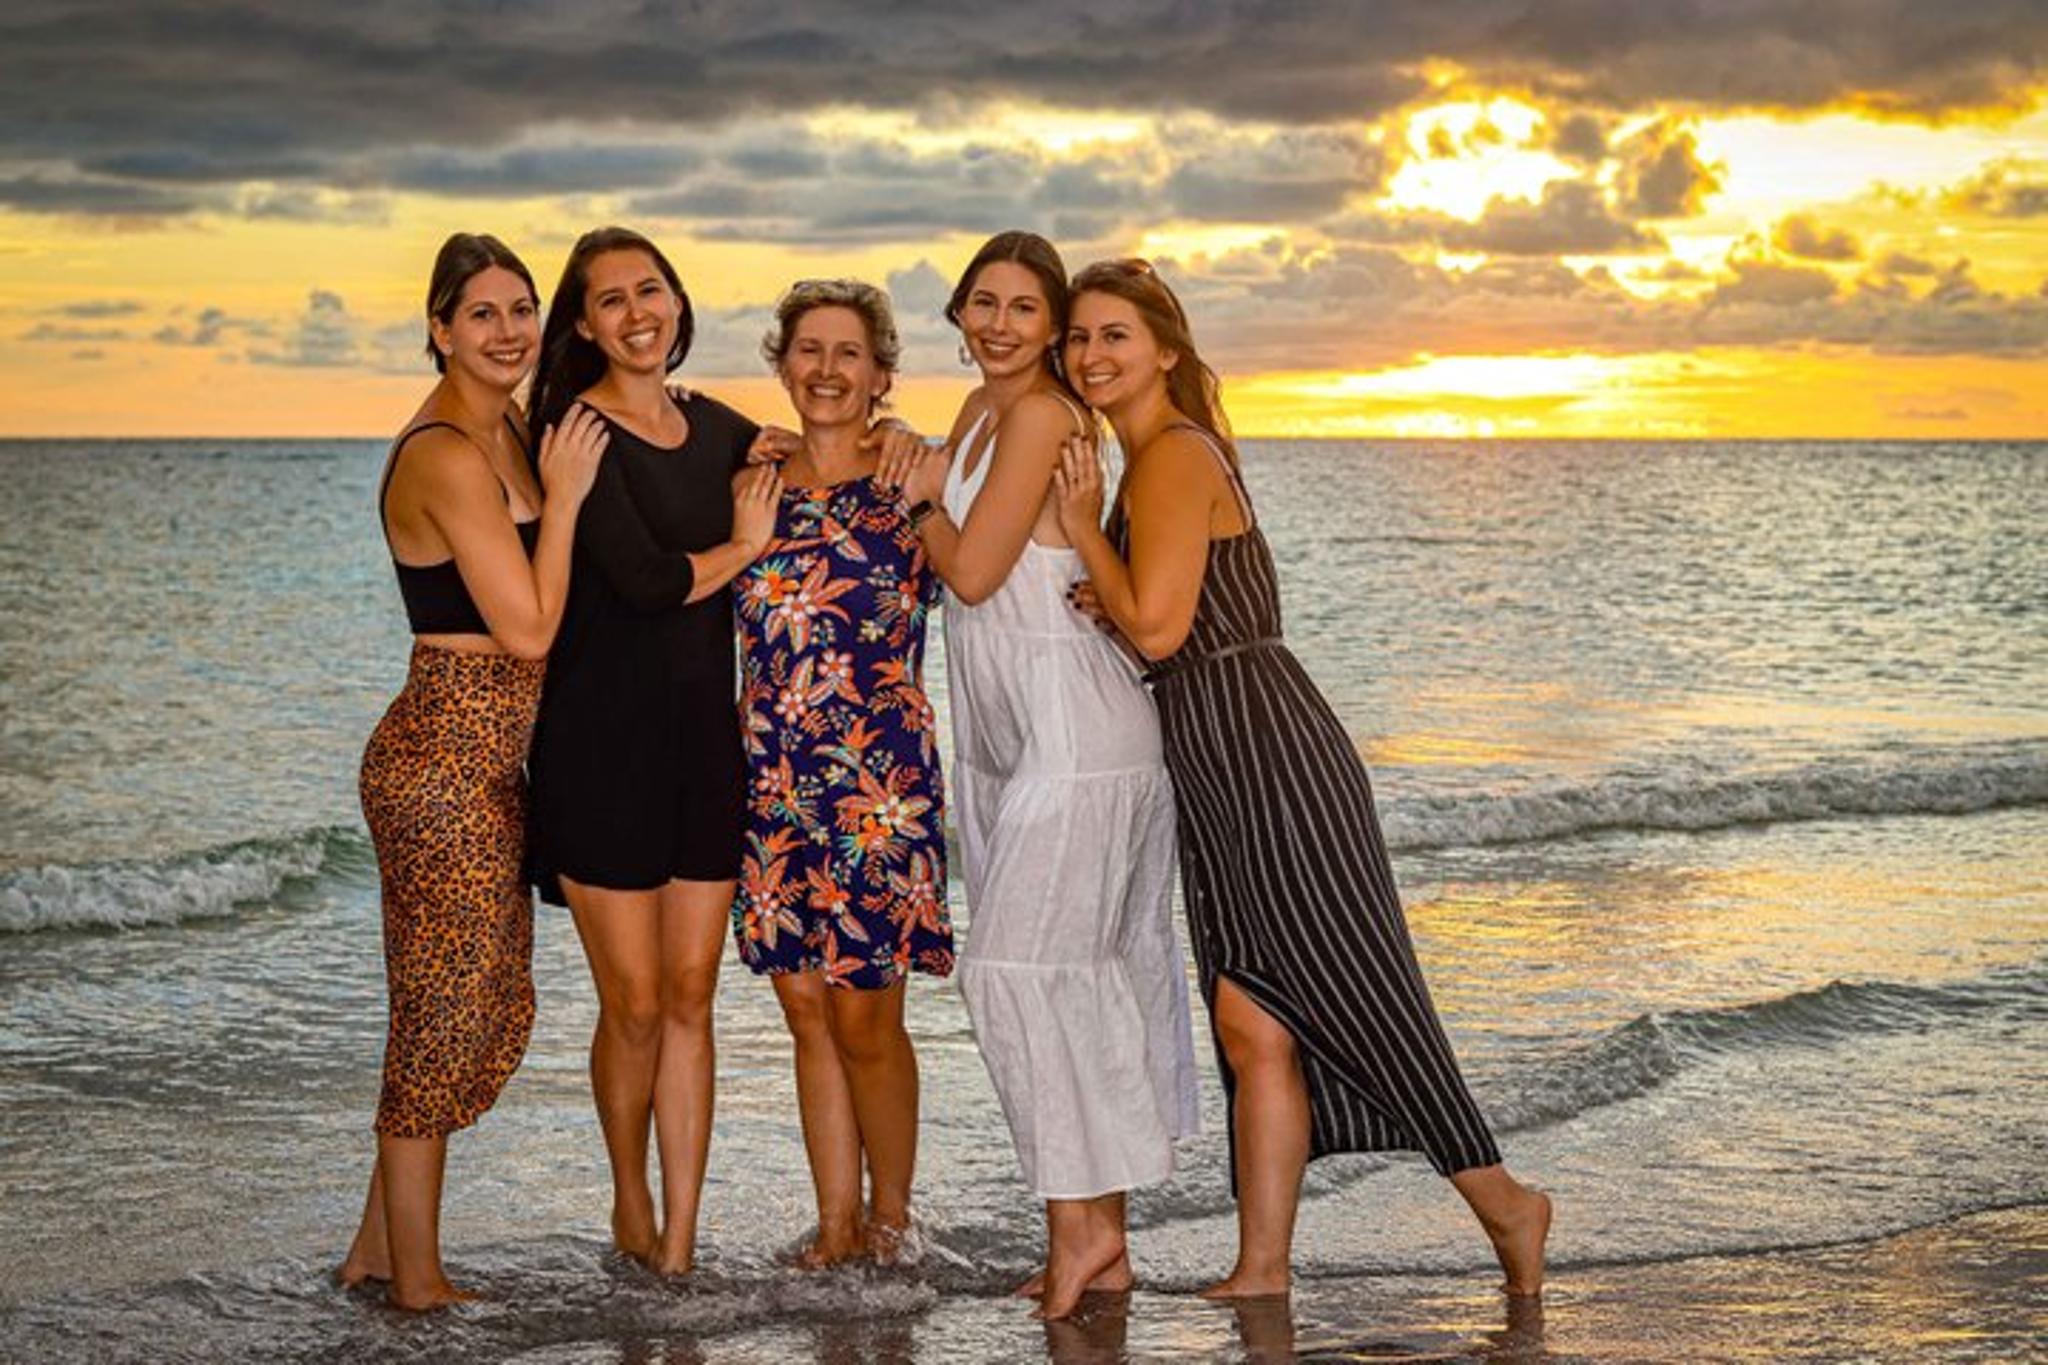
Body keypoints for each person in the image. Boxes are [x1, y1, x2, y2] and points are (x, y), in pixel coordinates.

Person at [1052, 258, 1552, 1300]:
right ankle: (1262, 1269)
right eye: (1077, 339)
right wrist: (1110, 574)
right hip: (1216, 751)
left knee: (1358, 990)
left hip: (1266, 748)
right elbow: (1161, 617)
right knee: (1249, 1018)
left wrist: (1079, 538)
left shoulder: (1170, 458)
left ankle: (1506, 1200)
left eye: (1112, 336)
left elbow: (1156, 624)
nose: (1089, 356)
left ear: (1165, 350)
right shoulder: (1153, 464)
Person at [884, 232, 1197, 1321]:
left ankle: (1091, 1230)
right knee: (1066, 972)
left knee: (1014, 970)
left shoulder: (1038, 415)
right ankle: (1089, 1237)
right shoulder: (977, 413)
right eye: (983, 303)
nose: (1000, 325)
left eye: (1024, 309)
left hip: (1076, 726)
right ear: (958, 313)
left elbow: (968, 573)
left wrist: (923, 500)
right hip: (1005, 728)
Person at [339, 232, 608, 1309]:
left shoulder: (506, 431)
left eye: (521, 308)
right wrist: (572, 498)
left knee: (464, 1000)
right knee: (438, 1016)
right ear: (439, 330)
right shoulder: (448, 451)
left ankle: (373, 1250)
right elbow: (531, 627)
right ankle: (418, 1282)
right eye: (482, 313)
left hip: (491, 765)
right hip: (442, 761)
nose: (507, 331)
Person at [523, 226, 782, 1276]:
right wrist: (744, 548)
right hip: (598, 751)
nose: (638, 312)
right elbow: (639, 580)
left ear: (676, 302)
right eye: (612, 300)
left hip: (704, 751)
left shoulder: (718, 429)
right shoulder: (573, 431)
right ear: (582, 324)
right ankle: (630, 1197)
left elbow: (809, 448)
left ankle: (679, 1243)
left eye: (653, 290)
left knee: (690, 998)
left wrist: (895, 438)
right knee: (630, 1003)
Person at [732, 280, 952, 1268]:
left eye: (848, 354)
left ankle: (892, 1226)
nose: (826, 370)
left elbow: (990, 577)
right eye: (808, 351)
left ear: (880, 374)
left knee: (867, 1014)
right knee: (805, 1011)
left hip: (878, 788)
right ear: (782, 364)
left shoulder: (911, 480)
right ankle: (832, 1227)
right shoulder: (748, 488)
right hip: (772, 781)